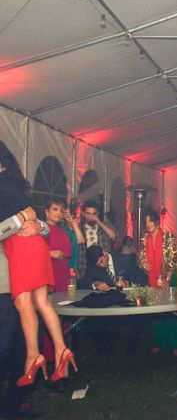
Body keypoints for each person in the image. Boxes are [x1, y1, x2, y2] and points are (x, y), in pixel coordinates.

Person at [0, 141, 76, 386]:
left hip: (22, 248)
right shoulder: (14, 183)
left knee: (24, 302)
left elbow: (24, 219)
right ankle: (61, 350)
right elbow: (29, 215)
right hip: (34, 247)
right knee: (40, 302)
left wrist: (28, 220)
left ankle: (34, 356)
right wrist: (26, 218)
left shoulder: (3, 186)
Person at [0, 208, 47, 418]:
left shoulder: (11, 195)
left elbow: (45, 228)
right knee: (4, 348)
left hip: (25, 285)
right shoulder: (14, 214)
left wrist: (39, 226)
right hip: (3, 289)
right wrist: (19, 219)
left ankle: (14, 405)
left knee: (25, 349)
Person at [137, 208, 177, 355]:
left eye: (150, 220)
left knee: (170, 313)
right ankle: (158, 342)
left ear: (156, 221)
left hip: (168, 278)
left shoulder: (168, 237)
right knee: (156, 311)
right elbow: (140, 257)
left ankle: (176, 344)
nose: (148, 224)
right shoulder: (145, 239)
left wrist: (167, 279)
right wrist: (143, 262)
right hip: (152, 279)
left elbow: (173, 261)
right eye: (146, 221)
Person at [45, 200, 85, 293]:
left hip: (65, 269)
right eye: (55, 209)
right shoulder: (41, 228)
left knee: (65, 300)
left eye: (61, 211)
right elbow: (33, 250)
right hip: (49, 268)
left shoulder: (63, 229)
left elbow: (80, 240)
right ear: (47, 211)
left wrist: (71, 221)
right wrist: (50, 253)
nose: (59, 213)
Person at [77, 199, 118, 279]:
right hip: (84, 267)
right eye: (88, 213)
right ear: (83, 213)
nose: (91, 216)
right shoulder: (79, 228)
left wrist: (99, 223)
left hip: (103, 265)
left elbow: (114, 236)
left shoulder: (105, 224)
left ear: (98, 213)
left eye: (94, 214)